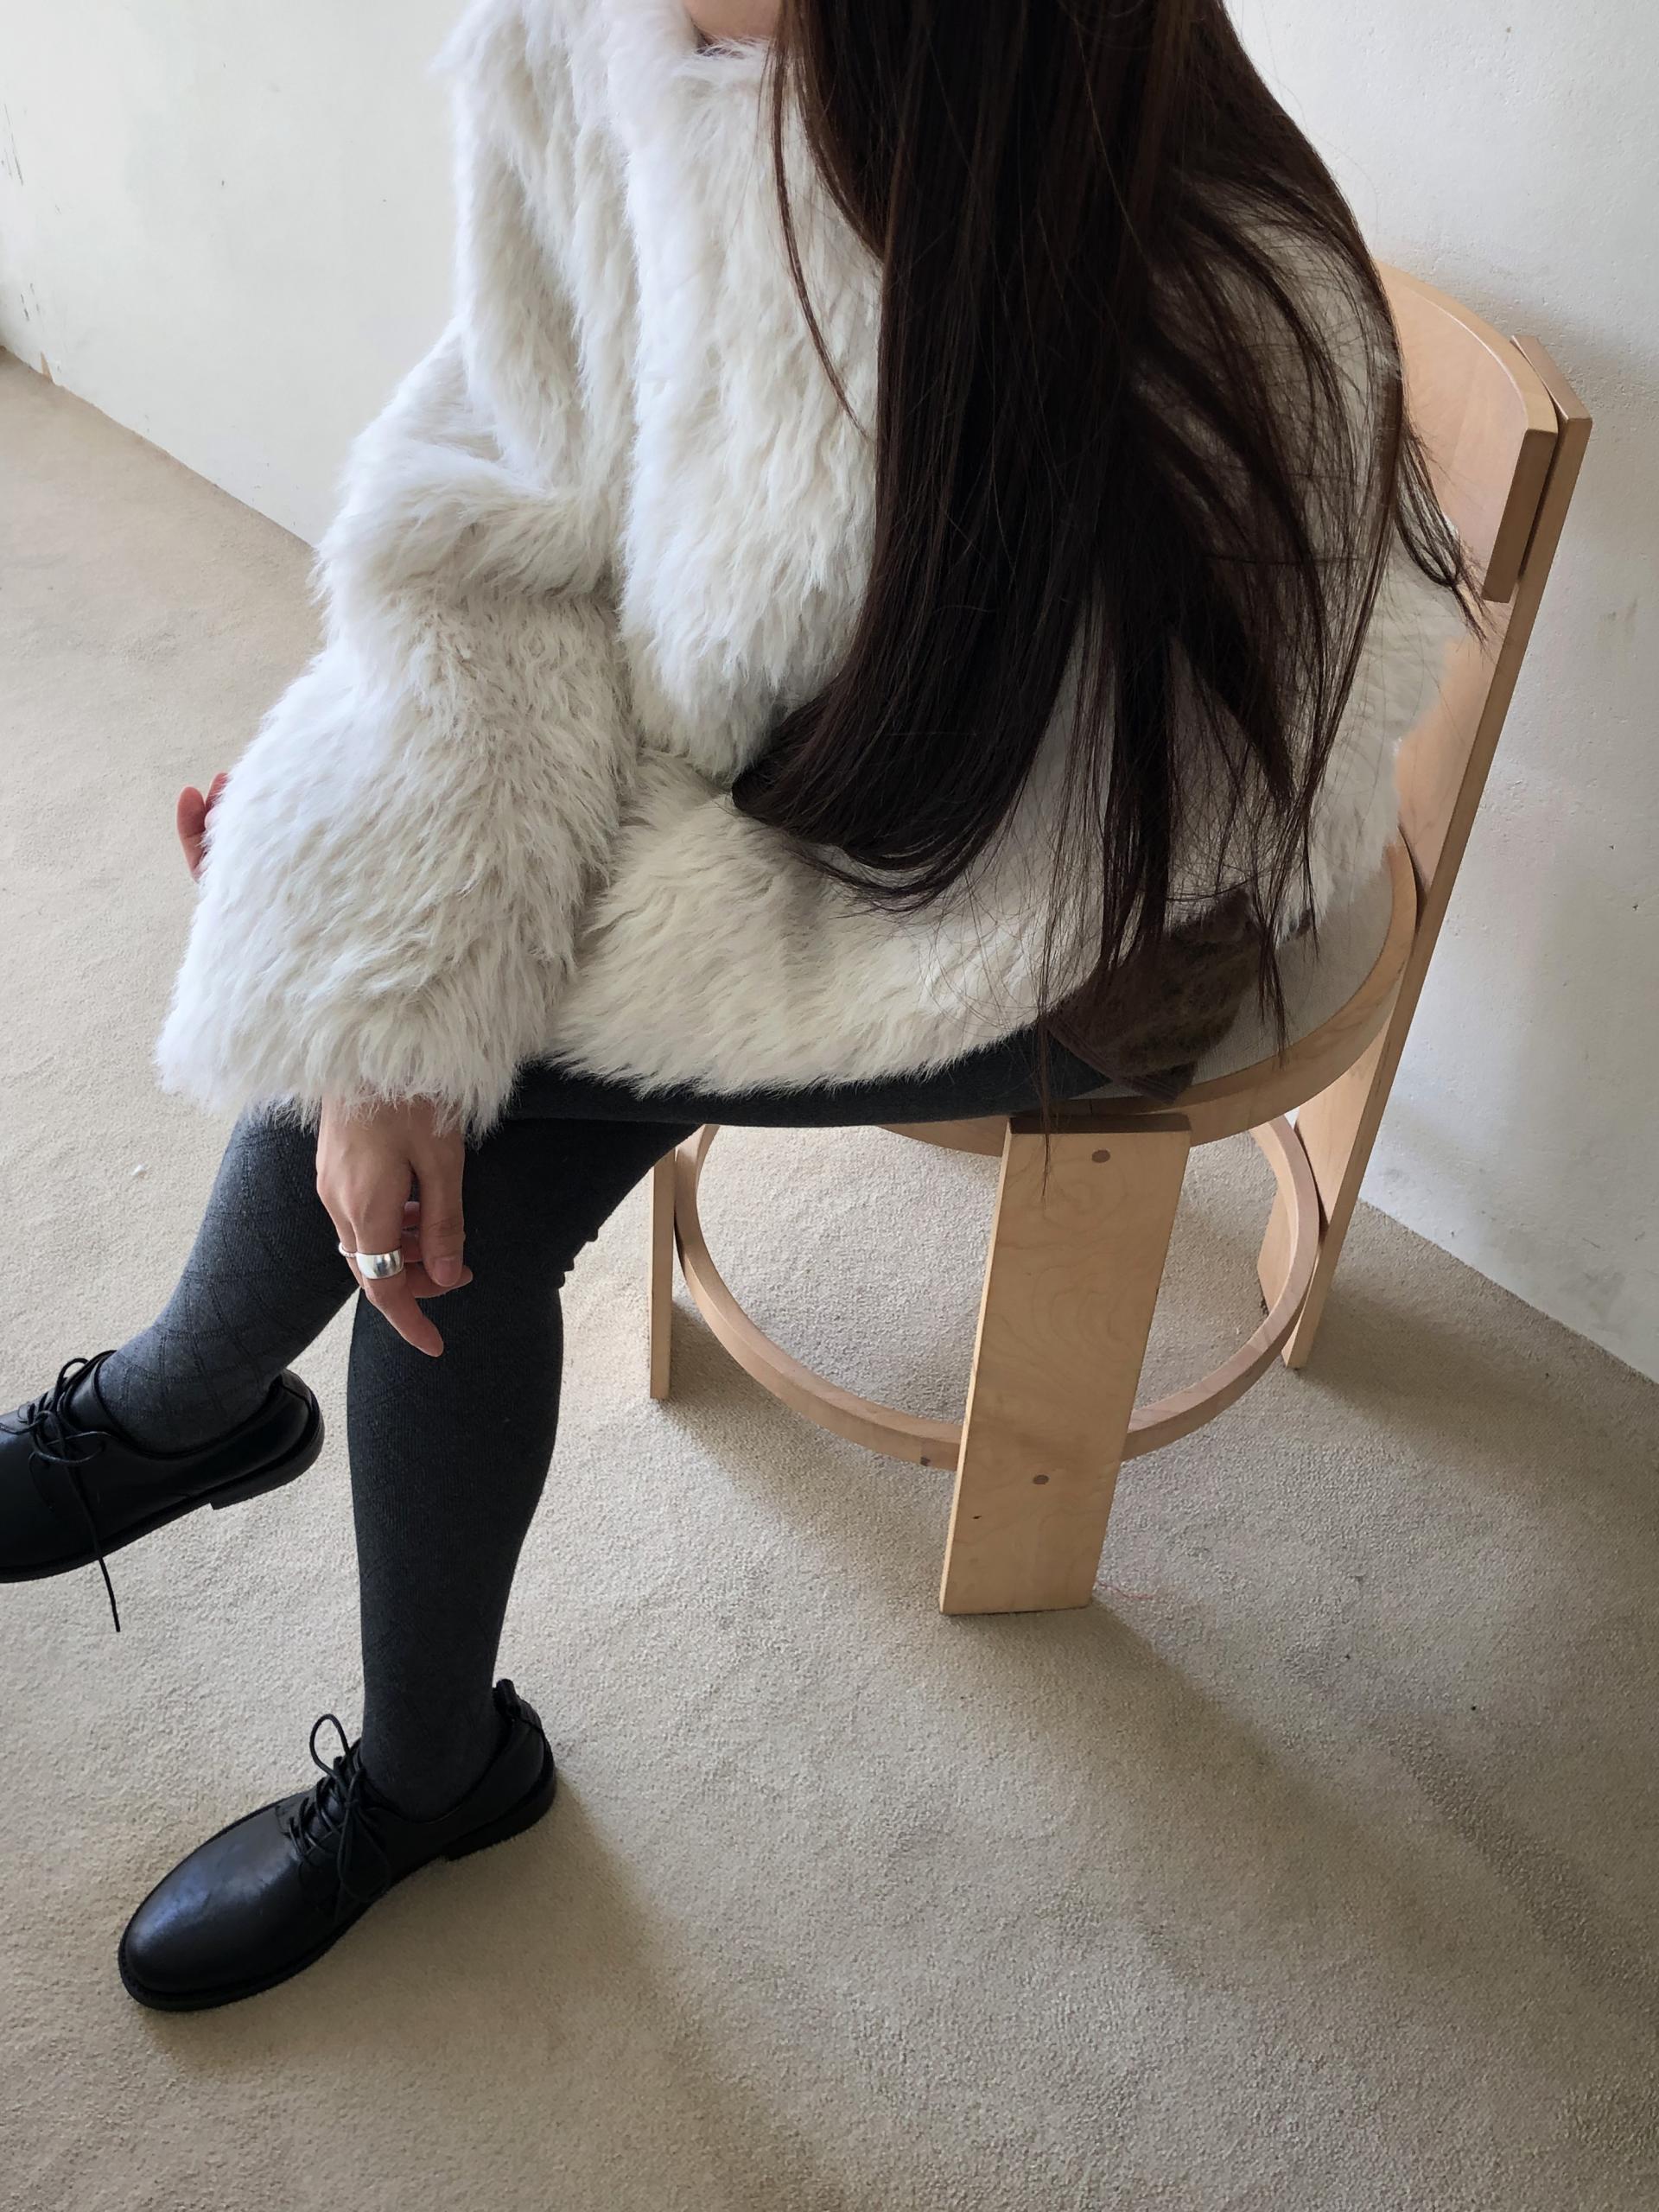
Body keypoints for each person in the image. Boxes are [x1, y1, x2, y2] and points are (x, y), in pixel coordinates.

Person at [1, 0, 1469, 2012]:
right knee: (394, 993)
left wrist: (413, 989)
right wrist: (393, 930)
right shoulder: (577, 36)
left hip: (1082, 898)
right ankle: (263, 1520)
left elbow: (1050, 846)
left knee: (455, 1089)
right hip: (787, 744)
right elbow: (518, 489)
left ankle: (206, 1456)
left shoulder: (1206, 308)